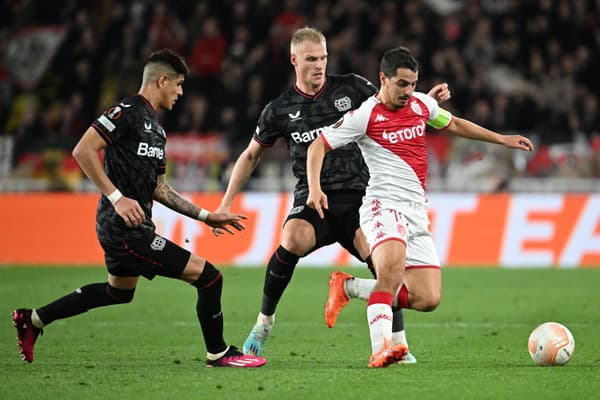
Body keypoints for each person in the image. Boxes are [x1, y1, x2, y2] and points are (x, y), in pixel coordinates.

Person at [12, 49, 266, 368]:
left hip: (131, 228)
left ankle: (33, 320)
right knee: (210, 278)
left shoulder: (156, 130)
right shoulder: (126, 111)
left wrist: (206, 216)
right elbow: (83, 150)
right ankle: (218, 353)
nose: (180, 92)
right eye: (178, 84)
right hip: (124, 230)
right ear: (162, 80)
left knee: (118, 292)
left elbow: (159, 188)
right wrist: (117, 197)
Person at [213, 26, 450, 361]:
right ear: (294, 60)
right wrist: (225, 203)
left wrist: (425, 101)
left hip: (360, 197)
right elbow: (251, 155)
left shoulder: (352, 87)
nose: (319, 65)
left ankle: (398, 339)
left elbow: (390, 100)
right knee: (292, 239)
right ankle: (264, 323)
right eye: (311, 59)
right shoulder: (279, 109)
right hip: (314, 199)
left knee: (386, 266)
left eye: (323, 57)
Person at [306, 46, 534, 367]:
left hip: (415, 210)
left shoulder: (422, 104)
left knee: (427, 299)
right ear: (382, 78)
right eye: (401, 84)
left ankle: (349, 286)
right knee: (390, 276)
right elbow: (318, 145)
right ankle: (382, 349)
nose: (408, 91)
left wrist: (501, 139)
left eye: (413, 84)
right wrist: (314, 188)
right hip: (382, 206)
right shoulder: (364, 116)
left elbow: (453, 124)